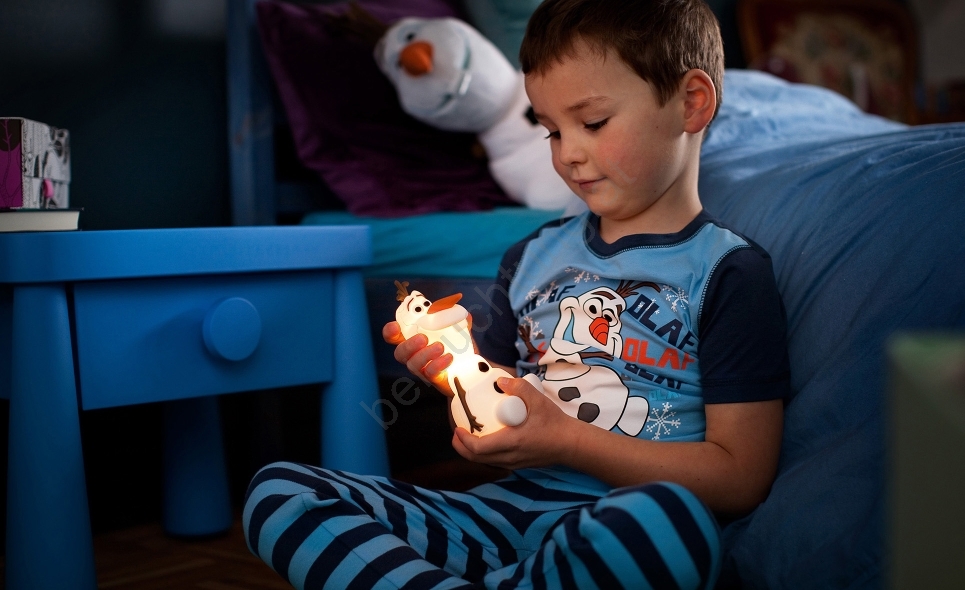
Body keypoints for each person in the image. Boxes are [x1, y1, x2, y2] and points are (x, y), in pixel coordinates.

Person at [242, 1, 789, 588]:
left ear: (691, 103)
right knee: (281, 494)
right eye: (550, 130)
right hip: (499, 519)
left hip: (618, 526)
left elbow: (740, 480)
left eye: (593, 123)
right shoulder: (530, 257)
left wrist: (568, 440)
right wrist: (458, 375)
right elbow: (510, 396)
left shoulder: (728, 272)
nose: (567, 153)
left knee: (669, 523)